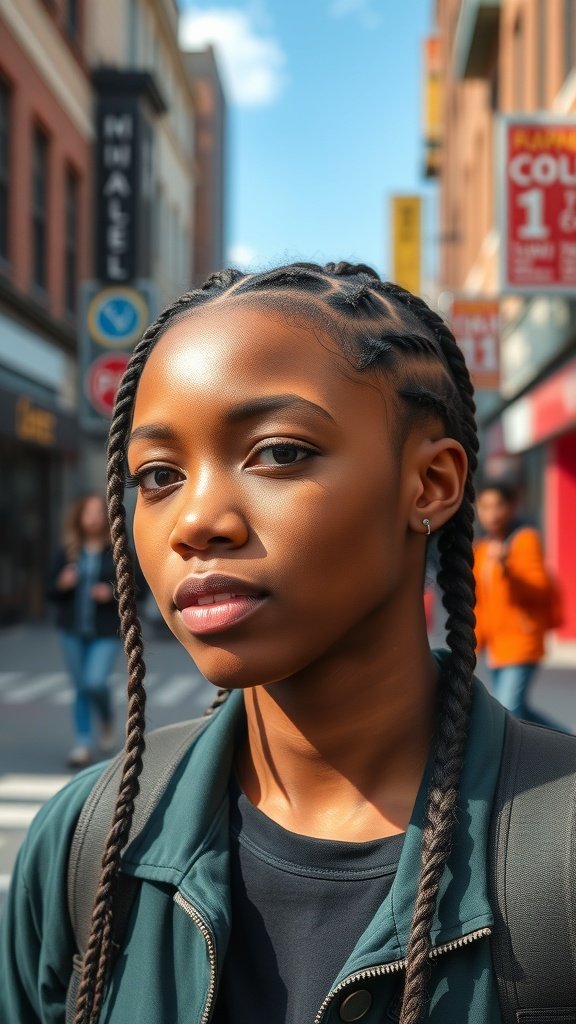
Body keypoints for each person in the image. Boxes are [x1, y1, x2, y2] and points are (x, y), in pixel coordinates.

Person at [0, 262, 571, 1024]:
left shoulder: (558, 858)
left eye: (278, 453)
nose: (197, 521)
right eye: (159, 474)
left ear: (431, 483)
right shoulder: (83, 844)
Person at [473, 478, 563, 729]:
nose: (492, 513)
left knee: (507, 711)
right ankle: (568, 742)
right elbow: (480, 602)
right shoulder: (482, 549)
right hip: (497, 646)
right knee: (518, 712)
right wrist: (474, 641)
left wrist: (507, 569)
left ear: (512, 507)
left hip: (522, 640)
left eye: (498, 505)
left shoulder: (524, 541)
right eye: (485, 506)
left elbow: (539, 590)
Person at [47, 494, 121, 768]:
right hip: (72, 632)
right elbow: (49, 593)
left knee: (95, 683)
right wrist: (62, 584)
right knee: (80, 687)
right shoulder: (67, 551)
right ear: (79, 516)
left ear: (107, 516)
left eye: (98, 511)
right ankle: (82, 743)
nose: (92, 517)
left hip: (105, 631)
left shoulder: (118, 550)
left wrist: (110, 592)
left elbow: (138, 590)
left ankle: (106, 718)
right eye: (87, 512)